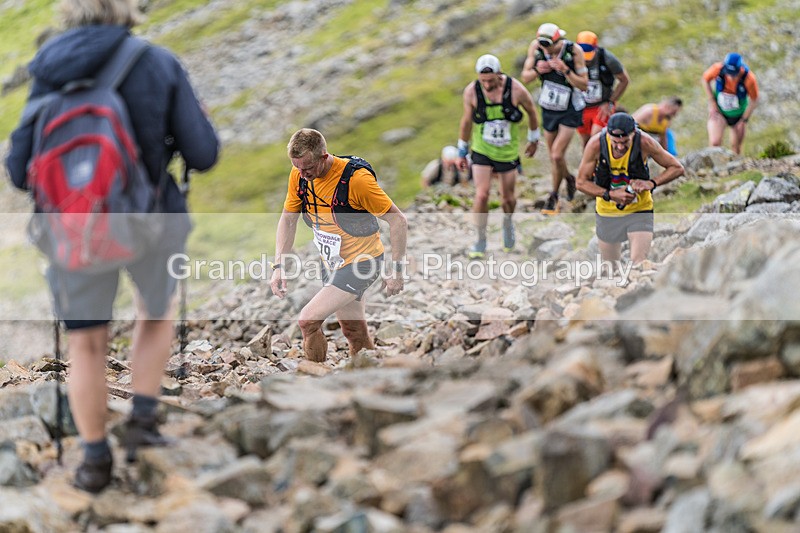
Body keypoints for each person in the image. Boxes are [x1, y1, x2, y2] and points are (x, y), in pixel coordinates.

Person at [5, 0, 219, 493]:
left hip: (72, 229)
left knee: (86, 342)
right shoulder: (156, 61)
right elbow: (203, 154)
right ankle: (142, 426)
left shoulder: (46, 70)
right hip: (152, 220)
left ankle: (94, 460)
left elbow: (18, 170)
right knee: (154, 311)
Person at [270, 128, 407, 363]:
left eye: (308, 168)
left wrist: (397, 270)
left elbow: (398, 220)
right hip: (333, 262)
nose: (302, 174)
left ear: (324, 156)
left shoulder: (357, 181)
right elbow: (288, 219)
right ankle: (372, 376)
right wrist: (278, 266)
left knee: (308, 321)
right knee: (353, 332)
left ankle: (315, 378)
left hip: (363, 263)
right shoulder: (299, 174)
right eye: (297, 168)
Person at [456, 54, 539, 258]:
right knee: (482, 194)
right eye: (483, 81)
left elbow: (531, 111)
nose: (487, 85)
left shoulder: (516, 89)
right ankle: (480, 239)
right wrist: (462, 150)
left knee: (507, 198)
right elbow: (466, 122)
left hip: (507, 151)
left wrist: (533, 139)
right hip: (482, 149)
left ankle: (508, 222)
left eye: (491, 81)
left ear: (499, 75)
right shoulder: (472, 92)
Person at [575, 113, 684, 266]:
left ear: (634, 133)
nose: (620, 146)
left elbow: (677, 168)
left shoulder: (645, 142)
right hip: (607, 211)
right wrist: (610, 194)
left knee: (639, 263)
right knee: (611, 267)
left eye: (625, 141)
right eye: (615, 142)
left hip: (639, 209)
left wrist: (652, 183)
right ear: (608, 134)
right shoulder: (596, 144)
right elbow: (580, 183)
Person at [521, 23, 588, 214]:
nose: (546, 49)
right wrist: (538, 70)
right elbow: (525, 77)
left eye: (549, 45)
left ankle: (554, 195)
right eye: (542, 45)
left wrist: (565, 70)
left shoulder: (573, 51)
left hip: (570, 108)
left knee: (557, 154)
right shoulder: (536, 48)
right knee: (554, 157)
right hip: (549, 108)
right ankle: (568, 178)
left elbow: (584, 84)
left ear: (558, 40)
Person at [574, 31, 630, 146]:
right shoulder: (571, 58)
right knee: (586, 142)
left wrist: (610, 101)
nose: (586, 60)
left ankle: (602, 163)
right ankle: (588, 163)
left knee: (596, 141)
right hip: (581, 107)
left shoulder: (607, 59)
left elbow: (624, 80)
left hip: (601, 107)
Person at [701, 52, 759, 155]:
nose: (731, 77)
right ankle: (714, 168)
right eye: (729, 73)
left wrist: (744, 120)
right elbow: (705, 79)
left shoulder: (749, 79)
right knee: (715, 143)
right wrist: (712, 101)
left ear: (740, 69)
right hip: (719, 112)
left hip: (738, 116)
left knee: (736, 148)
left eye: (734, 74)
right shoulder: (717, 69)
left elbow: (754, 99)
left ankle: (734, 169)